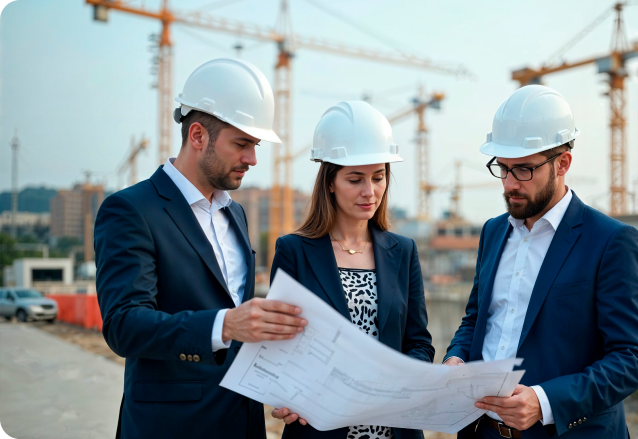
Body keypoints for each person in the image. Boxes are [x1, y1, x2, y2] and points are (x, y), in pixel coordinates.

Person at [94, 58, 308, 439]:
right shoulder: (130, 210)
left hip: (241, 422)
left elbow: (244, 332)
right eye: (242, 144)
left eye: (255, 145)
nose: (252, 159)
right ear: (197, 136)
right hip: (170, 428)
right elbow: (124, 326)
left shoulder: (236, 214)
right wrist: (223, 324)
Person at [443, 85, 638, 439]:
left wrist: (545, 401)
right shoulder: (493, 232)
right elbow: (476, 318)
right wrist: (457, 359)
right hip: (483, 431)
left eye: (524, 170)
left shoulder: (611, 241)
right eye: (503, 168)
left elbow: (634, 357)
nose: (510, 184)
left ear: (563, 163)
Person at [268, 101, 435, 439]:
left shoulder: (403, 251)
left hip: (394, 426)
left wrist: (403, 377)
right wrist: (286, 392)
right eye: (355, 179)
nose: (369, 192)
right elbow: (277, 343)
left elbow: (419, 342)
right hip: (319, 426)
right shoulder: (294, 251)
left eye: (378, 177)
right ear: (330, 182)